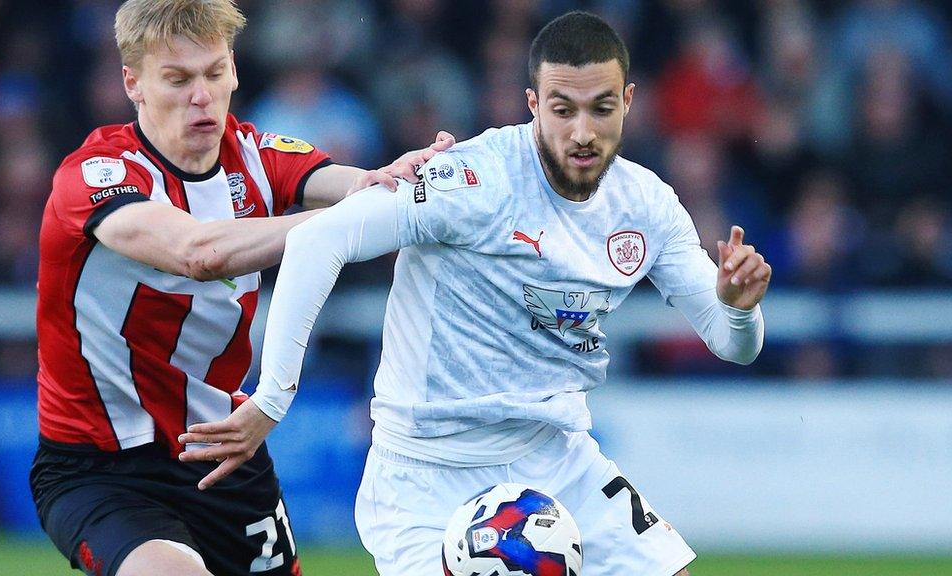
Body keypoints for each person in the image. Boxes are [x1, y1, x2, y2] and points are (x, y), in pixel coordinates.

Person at [182, 11, 770, 576]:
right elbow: (317, 243)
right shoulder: (473, 179)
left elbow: (733, 344)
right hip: (427, 469)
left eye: (602, 108)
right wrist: (272, 400)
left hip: (555, 453)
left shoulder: (648, 206)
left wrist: (741, 311)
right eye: (563, 110)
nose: (583, 132)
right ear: (534, 104)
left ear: (630, 102)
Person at [29, 1, 454, 575]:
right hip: (100, 468)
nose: (200, 96)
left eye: (212, 73)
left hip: (222, 450)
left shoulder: (257, 154)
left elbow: (358, 185)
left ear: (233, 69)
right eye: (177, 79)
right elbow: (199, 252)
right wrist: (354, 221)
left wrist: (397, 185)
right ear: (134, 83)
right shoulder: (96, 174)